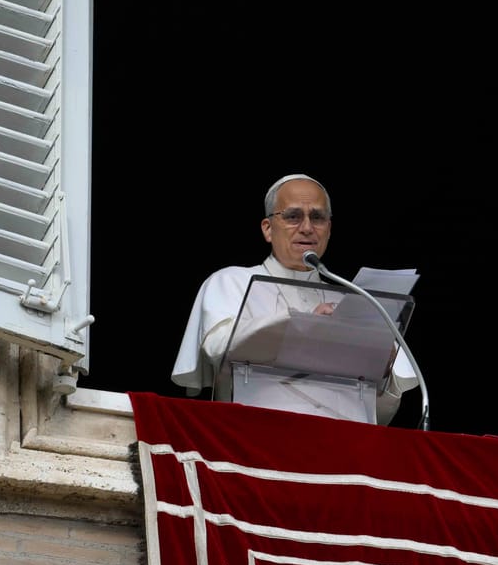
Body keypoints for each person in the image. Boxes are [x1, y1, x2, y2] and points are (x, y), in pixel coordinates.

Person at [169, 174, 415, 423]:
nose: (307, 227)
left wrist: (383, 367)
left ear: (329, 229)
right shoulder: (231, 281)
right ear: (268, 229)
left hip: (344, 437)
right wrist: (305, 326)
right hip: (257, 431)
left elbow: (381, 410)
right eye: (293, 216)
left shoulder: (352, 299)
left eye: (317, 217)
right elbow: (218, 348)